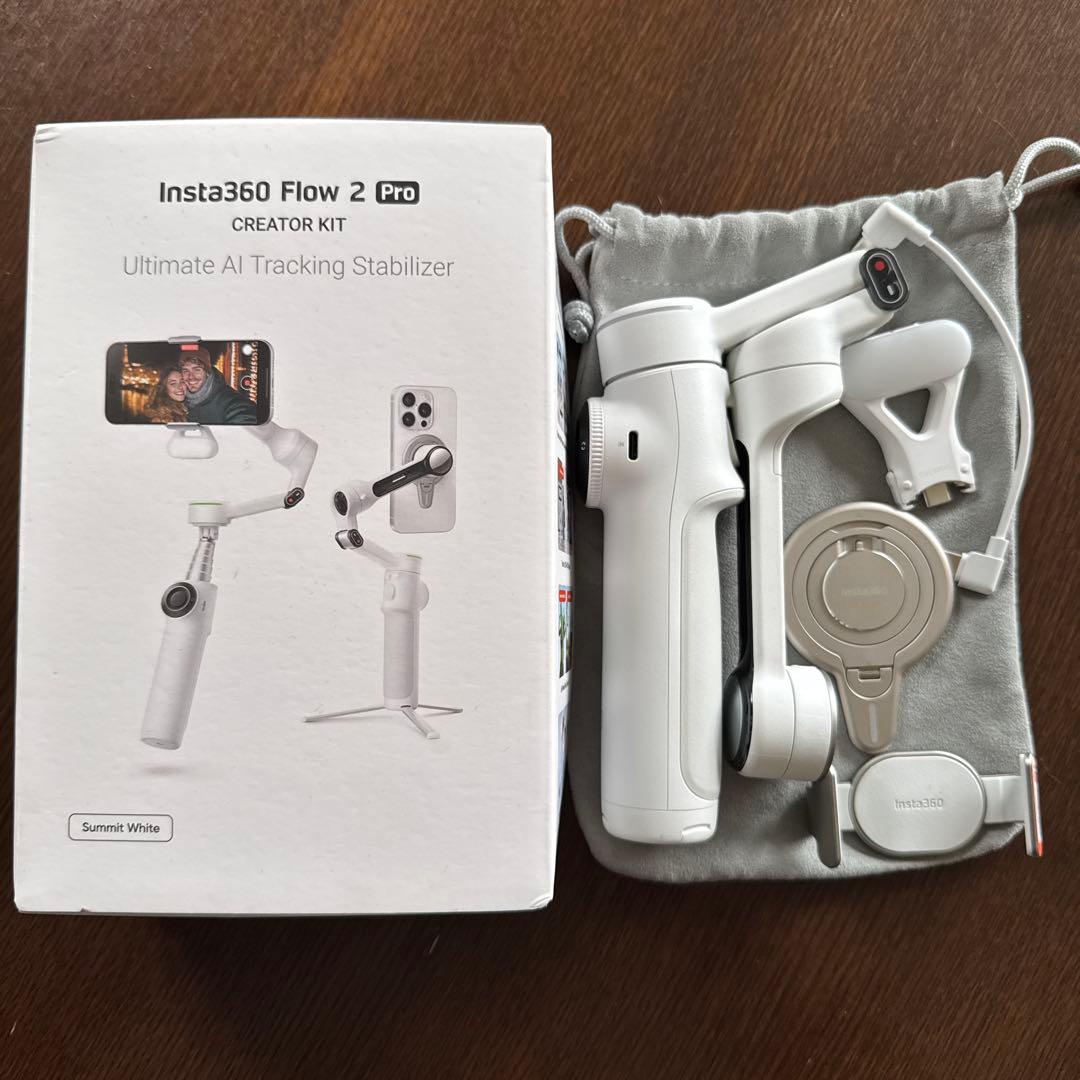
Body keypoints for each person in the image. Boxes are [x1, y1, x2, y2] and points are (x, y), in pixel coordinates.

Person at [179, 347, 257, 424]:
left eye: (197, 370)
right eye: (185, 371)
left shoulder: (232, 402)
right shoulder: (180, 401)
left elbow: (244, 417)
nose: (191, 377)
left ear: (207, 372)